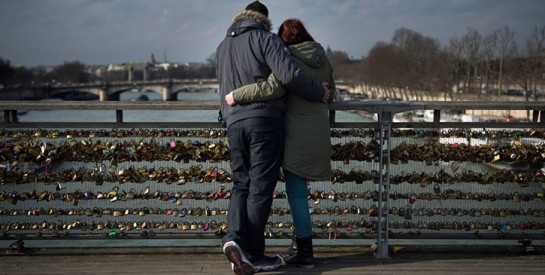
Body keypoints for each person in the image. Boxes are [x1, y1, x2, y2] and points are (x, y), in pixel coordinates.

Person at [215, 2, 330, 275]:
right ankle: (254, 254)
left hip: (233, 122)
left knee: (240, 184)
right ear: (263, 21)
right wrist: (319, 92)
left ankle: (234, 239)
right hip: (264, 121)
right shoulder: (266, 39)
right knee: (260, 189)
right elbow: (288, 76)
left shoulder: (221, 47)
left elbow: (222, 89)